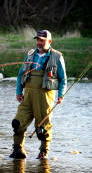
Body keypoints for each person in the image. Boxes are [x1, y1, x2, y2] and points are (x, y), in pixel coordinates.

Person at [9, 30, 67, 159]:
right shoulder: (30, 55)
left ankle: (43, 151)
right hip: (27, 95)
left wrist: (61, 95)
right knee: (17, 123)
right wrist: (19, 92)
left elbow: (63, 79)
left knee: (42, 129)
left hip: (45, 96)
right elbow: (20, 75)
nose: (39, 43)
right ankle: (17, 150)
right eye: (38, 40)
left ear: (49, 42)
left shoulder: (57, 56)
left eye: (42, 40)